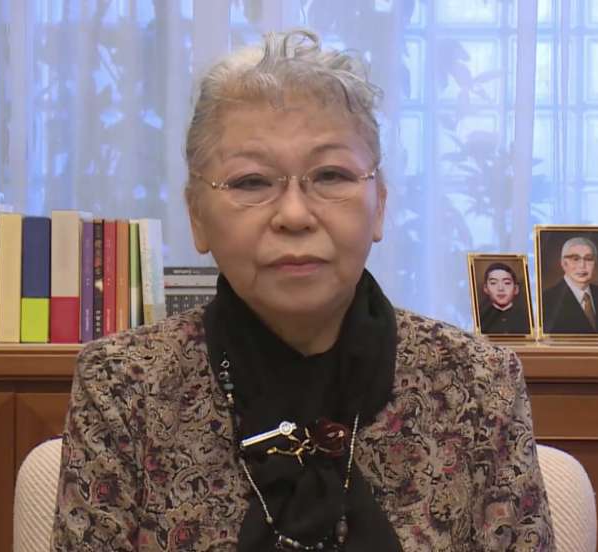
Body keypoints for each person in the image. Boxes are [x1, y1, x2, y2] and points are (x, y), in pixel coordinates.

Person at [52, 29, 554, 551]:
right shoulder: (124, 388)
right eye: (251, 182)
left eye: (332, 175)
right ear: (196, 216)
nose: (294, 215)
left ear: (379, 205)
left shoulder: (478, 384)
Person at [541, 236, 598, 335]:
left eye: (588, 259)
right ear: (563, 263)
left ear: (595, 263)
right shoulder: (547, 299)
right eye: (575, 259)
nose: (582, 265)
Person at [478, 262, 531, 335]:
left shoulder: (529, 319)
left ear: (516, 289)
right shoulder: (479, 318)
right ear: (486, 288)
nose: (500, 288)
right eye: (493, 283)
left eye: (507, 283)